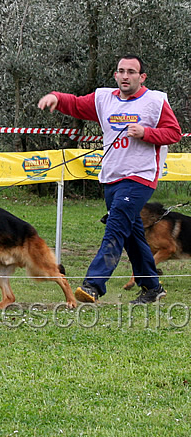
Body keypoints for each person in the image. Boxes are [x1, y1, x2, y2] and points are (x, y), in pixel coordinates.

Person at [37, 54, 181, 304]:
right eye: (121, 71)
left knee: (116, 227)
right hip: (112, 178)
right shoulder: (104, 98)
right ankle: (152, 288)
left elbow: (174, 133)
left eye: (131, 72)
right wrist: (57, 98)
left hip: (140, 177)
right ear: (116, 75)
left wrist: (146, 132)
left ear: (142, 76)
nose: (125, 76)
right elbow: (77, 105)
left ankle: (93, 285)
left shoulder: (155, 101)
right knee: (133, 237)